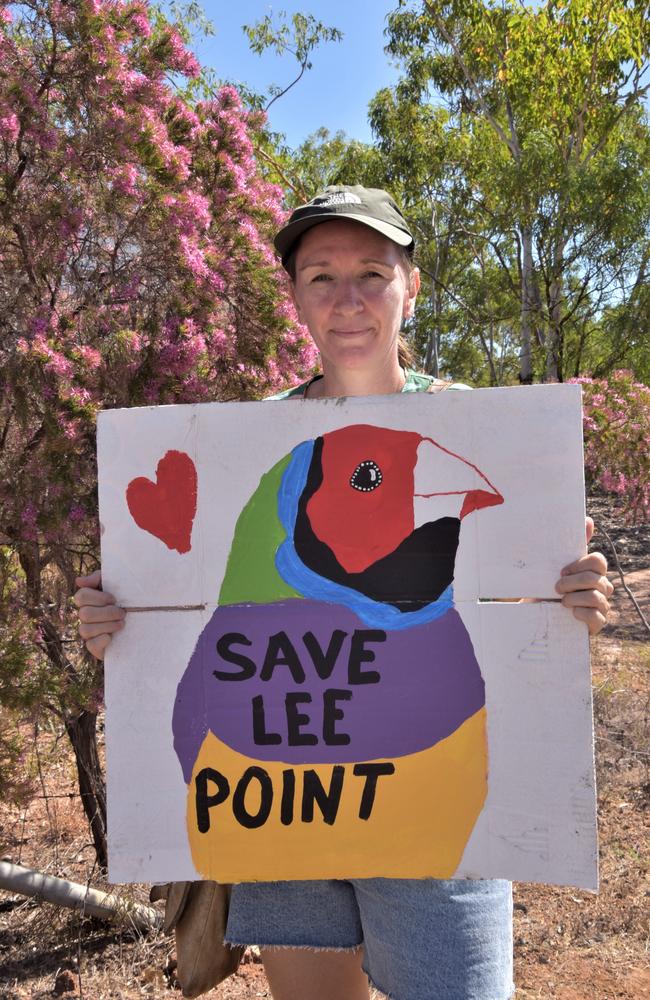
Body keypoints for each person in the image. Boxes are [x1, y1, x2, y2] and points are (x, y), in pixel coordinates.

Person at [75, 185, 613, 1000]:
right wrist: (123, 624)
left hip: (434, 801)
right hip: (280, 802)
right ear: (294, 295)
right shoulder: (246, 439)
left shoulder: (482, 425)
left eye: (372, 270)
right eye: (321, 276)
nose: (348, 298)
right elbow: (186, 621)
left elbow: (523, 615)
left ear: (412, 285)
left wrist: (574, 598)